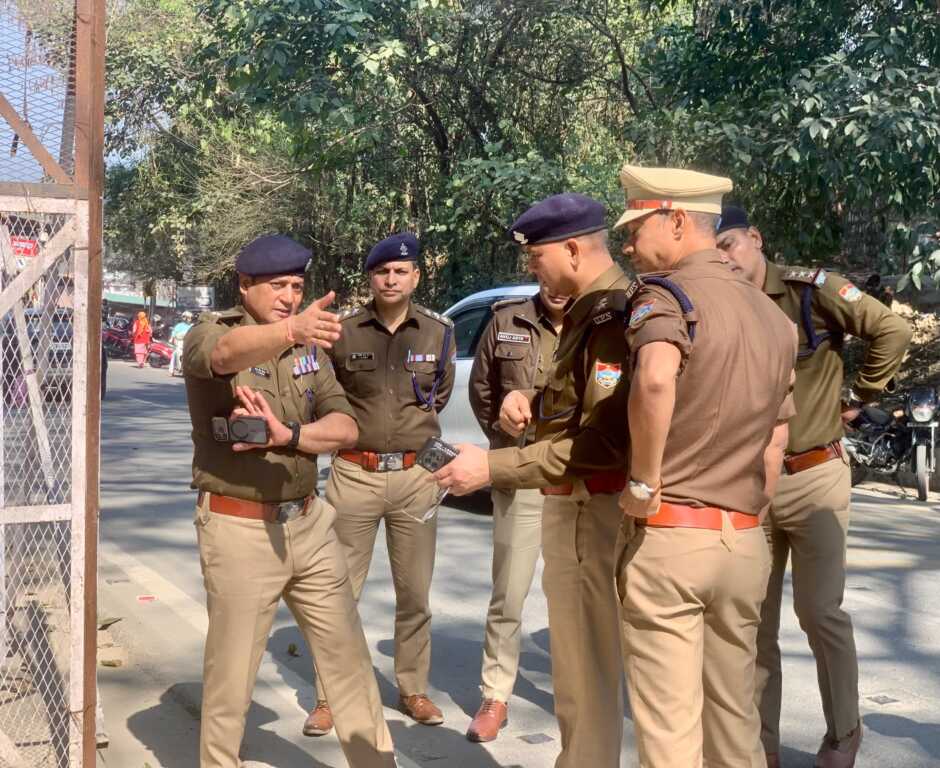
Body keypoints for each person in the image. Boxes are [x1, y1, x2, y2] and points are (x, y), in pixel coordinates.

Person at [181, 234, 396, 768]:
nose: (289, 297)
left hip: (309, 523)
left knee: (348, 660)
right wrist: (290, 329)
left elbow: (345, 426)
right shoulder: (211, 333)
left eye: (297, 287)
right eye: (277, 285)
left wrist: (290, 436)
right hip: (240, 529)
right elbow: (224, 356)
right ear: (245, 285)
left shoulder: (307, 351)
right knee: (232, 677)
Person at [435, 193, 631, 768]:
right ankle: (506, 702)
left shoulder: (611, 314)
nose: (531, 267)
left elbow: (601, 437)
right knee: (533, 615)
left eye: (536, 254)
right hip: (548, 485)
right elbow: (511, 394)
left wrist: (490, 465)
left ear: (571, 248)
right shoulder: (539, 316)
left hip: (586, 495)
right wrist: (522, 405)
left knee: (588, 654)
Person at [614, 166, 798, 768]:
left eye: (636, 229)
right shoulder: (774, 317)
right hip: (742, 541)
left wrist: (643, 483)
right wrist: (751, 510)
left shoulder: (665, 296)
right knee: (735, 724)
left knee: (671, 732)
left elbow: (655, 378)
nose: (629, 245)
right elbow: (776, 437)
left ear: (676, 221)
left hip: (672, 532)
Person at [716, 205, 912, 768]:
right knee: (753, 620)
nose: (724, 259)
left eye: (729, 245)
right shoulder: (717, 303)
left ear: (755, 239)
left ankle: (844, 730)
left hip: (814, 476)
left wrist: (860, 396)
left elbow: (892, 329)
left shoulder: (809, 291)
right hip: (748, 482)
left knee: (820, 612)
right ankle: (761, 743)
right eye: (715, 250)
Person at [304, 232, 456, 737]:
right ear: (371, 277)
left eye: (400, 272)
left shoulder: (439, 332)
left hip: (416, 477)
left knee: (415, 593)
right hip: (354, 473)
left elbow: (437, 397)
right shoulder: (343, 332)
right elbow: (323, 398)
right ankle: (329, 696)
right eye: (382, 272)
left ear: (416, 277)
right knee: (337, 591)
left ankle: (413, 688)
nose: (391, 279)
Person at [464, 282, 568, 742]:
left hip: (577, 476)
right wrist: (499, 428)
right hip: (521, 473)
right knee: (508, 591)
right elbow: (481, 387)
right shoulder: (508, 319)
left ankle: (577, 691)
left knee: (576, 595)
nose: (557, 289)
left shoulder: (602, 318)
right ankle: (496, 693)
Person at [169, 310, 194, 376]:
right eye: (188, 318)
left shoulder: (192, 326)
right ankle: (172, 371)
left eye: (190, 318)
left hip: (189, 342)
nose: (190, 319)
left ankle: (185, 370)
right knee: (176, 354)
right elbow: (174, 333)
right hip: (180, 342)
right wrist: (172, 338)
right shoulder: (179, 325)